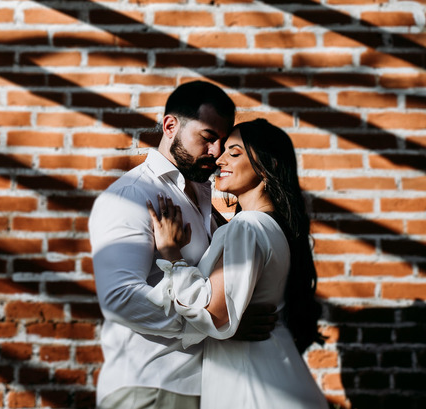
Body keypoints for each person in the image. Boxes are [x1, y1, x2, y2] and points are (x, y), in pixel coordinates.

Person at [89, 81, 276, 409]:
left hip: (203, 386)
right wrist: (215, 326)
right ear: (170, 126)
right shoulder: (132, 196)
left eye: (222, 140)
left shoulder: (204, 196)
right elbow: (120, 298)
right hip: (151, 385)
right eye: (207, 138)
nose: (216, 152)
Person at [146, 119, 327, 409]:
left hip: (254, 386)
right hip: (272, 375)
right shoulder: (271, 227)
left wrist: (172, 254)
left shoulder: (247, 227)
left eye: (234, 152)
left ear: (267, 167)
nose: (219, 159)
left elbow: (216, 315)